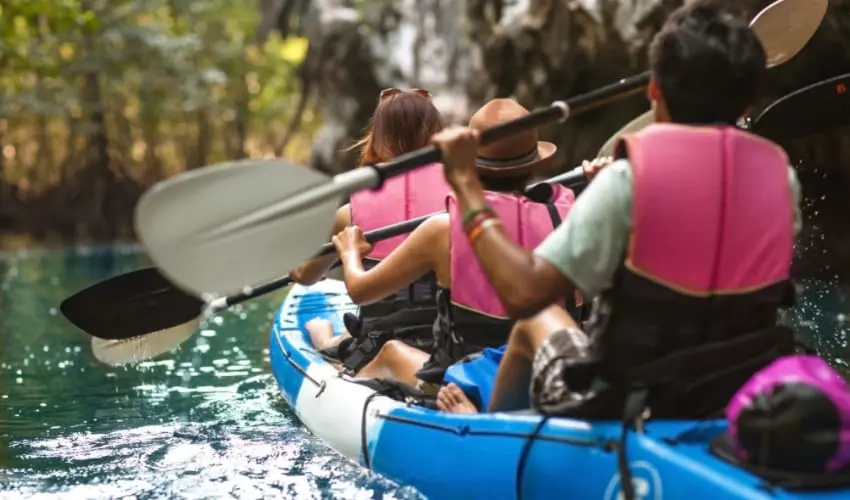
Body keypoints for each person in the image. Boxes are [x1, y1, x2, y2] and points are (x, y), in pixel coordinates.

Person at [431, 1, 803, 417]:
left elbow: (524, 294)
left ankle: (492, 438)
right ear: (746, 104)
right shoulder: (783, 179)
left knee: (535, 320)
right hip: (740, 393)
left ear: (654, 90)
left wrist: (466, 186)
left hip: (633, 401)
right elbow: (705, 253)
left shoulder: (627, 182)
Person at [328, 98, 588, 398]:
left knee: (391, 352)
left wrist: (349, 253)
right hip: (548, 371)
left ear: (468, 166)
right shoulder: (571, 217)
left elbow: (361, 291)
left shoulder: (442, 229)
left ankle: (341, 374)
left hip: (462, 384)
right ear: (533, 167)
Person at [290, 88, 451, 363]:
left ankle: (325, 338)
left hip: (375, 346)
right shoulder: (464, 199)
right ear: (438, 136)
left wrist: (296, 265)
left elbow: (305, 276)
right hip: (448, 344)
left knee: (330, 338)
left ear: (377, 140)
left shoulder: (350, 216)